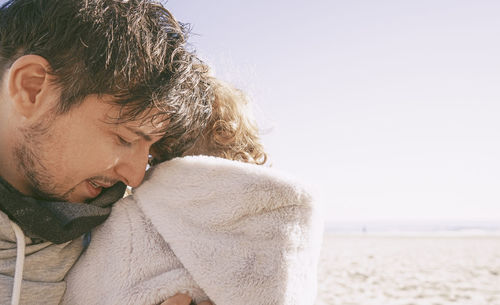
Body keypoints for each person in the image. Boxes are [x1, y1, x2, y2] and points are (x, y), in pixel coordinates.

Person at [0, 0, 214, 304]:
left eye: (150, 154)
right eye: (125, 138)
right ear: (31, 88)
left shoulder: (129, 236)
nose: (136, 176)